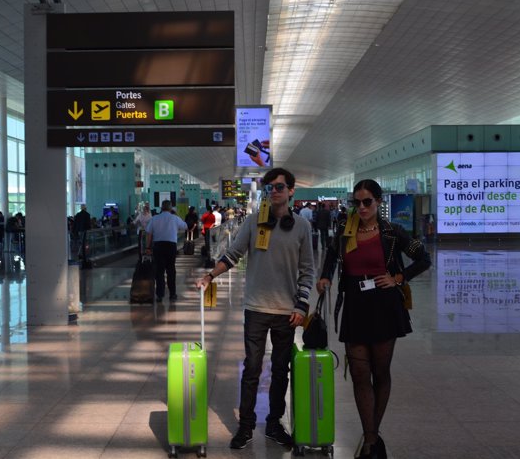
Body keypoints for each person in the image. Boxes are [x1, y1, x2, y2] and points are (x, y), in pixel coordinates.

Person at [196, 168, 315, 450]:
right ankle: (246, 426)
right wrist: (210, 276)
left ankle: (274, 424)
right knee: (251, 368)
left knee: (280, 370)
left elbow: (308, 270)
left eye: (280, 187)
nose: (275, 192)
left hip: (287, 311)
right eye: (270, 187)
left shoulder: (302, 227)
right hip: (256, 309)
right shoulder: (253, 222)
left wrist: (302, 303)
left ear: (291, 191)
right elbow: (232, 254)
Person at [316, 179, 431, 459]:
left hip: (384, 305)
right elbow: (332, 255)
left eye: (368, 201)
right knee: (358, 373)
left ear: (378, 202)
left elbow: (424, 258)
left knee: (380, 372)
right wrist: (325, 276)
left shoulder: (392, 231)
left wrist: (398, 277)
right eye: (357, 202)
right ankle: (371, 440)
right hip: (355, 305)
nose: (362, 207)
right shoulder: (346, 228)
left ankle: (371, 438)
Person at [145, 200, 188, 301]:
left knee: (159, 271)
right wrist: (176, 214)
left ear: (161, 207)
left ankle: (160, 295)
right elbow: (185, 226)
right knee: (171, 270)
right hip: (171, 246)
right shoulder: (175, 218)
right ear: (171, 208)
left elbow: (148, 233)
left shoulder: (154, 218)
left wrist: (147, 247)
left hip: (158, 246)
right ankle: (172, 294)